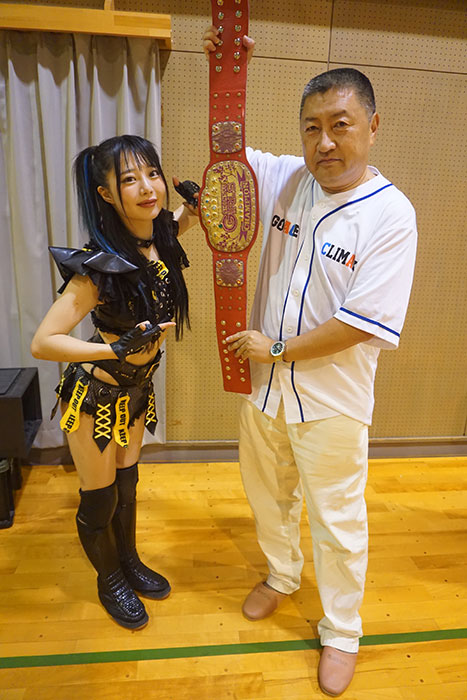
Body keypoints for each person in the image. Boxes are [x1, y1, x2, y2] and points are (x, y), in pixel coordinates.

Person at [204, 29, 417, 696]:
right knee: (267, 495)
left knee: (336, 519)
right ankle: (281, 574)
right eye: (312, 128)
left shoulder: (391, 216)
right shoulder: (286, 179)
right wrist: (227, 70)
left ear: (372, 127)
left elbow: (360, 323)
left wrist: (276, 348)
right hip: (263, 392)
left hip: (332, 402)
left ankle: (342, 631)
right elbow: (226, 167)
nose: (324, 142)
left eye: (340, 125)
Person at [31, 135, 198, 630]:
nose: (148, 187)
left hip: (136, 394)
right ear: (105, 194)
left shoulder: (158, 237)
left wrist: (193, 208)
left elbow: (174, 233)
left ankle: (128, 561)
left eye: (152, 173)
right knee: (100, 497)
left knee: (127, 486)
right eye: (129, 179)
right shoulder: (98, 268)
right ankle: (109, 580)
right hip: (95, 400)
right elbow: (43, 342)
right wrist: (114, 348)